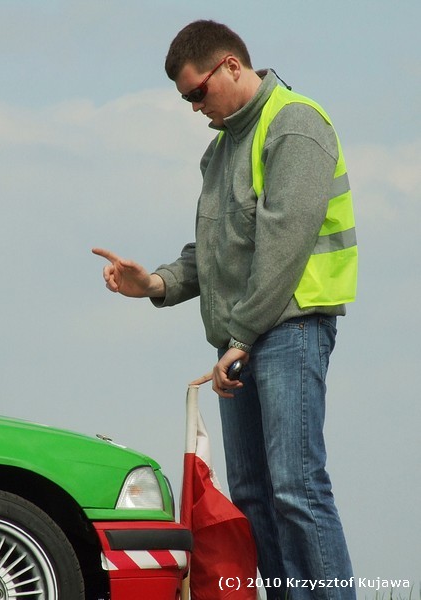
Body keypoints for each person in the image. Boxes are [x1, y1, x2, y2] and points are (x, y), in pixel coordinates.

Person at [93, 19, 357, 600]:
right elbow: (213, 252)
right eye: (185, 99)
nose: (194, 107)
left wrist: (239, 337)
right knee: (255, 496)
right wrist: (154, 283)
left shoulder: (295, 124)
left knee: (296, 488)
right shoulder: (219, 150)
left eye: (197, 92)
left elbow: (283, 247)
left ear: (232, 66)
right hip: (241, 341)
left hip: (290, 328)